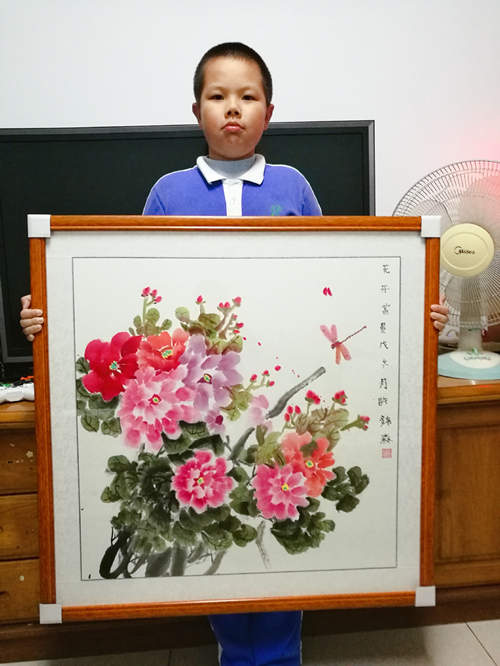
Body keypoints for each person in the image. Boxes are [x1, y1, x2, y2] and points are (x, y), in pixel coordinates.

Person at [19, 42, 449, 665]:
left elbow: (340, 274)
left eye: (248, 97)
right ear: (196, 110)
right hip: (198, 397)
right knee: (219, 524)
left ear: (268, 113)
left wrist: (418, 311)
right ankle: (234, 651)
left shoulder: (293, 185)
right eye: (217, 96)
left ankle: (280, 654)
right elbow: (128, 282)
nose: (232, 108)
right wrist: (49, 312)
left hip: (279, 389)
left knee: (278, 510)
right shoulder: (168, 191)